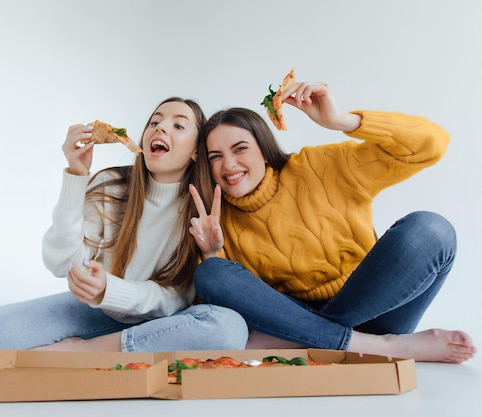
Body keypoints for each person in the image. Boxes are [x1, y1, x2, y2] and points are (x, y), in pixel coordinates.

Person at [188, 80, 476, 363]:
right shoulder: (216, 217)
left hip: (373, 310)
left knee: (432, 229)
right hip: (306, 320)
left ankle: (317, 340)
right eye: (216, 156)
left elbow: (431, 145)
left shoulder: (320, 167)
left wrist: (342, 120)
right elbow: (221, 315)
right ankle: (380, 347)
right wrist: (211, 252)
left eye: (240, 149)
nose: (228, 165)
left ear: (263, 150)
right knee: (211, 273)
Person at [0, 97, 248, 357]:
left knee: (228, 328)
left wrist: (111, 289)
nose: (160, 128)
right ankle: (111, 348)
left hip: (166, 323)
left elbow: (176, 299)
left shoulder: (204, 208)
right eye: (155, 122)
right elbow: (61, 263)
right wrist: (76, 176)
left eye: (178, 126)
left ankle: (81, 351)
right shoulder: (112, 186)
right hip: (102, 311)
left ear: (196, 151)